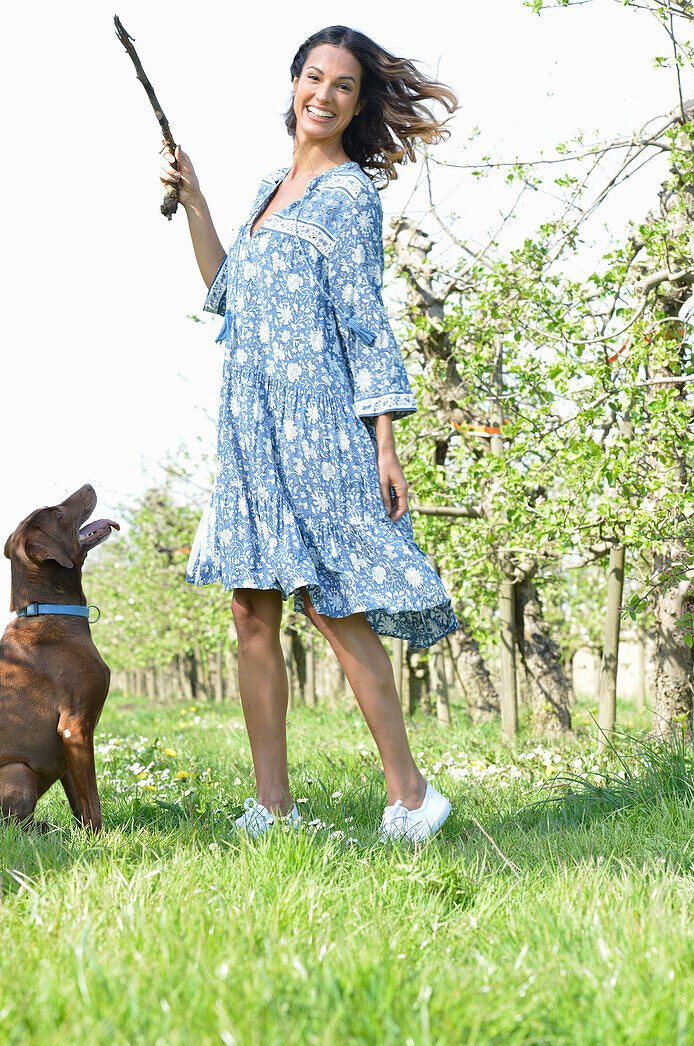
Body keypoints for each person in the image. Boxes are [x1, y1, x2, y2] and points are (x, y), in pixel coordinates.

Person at [159, 25, 460, 843]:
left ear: (358, 104)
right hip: (249, 427)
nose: (323, 96)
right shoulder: (268, 188)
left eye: (344, 87)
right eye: (314, 79)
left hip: (317, 425)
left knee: (332, 603)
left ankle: (411, 796)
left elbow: (366, 325)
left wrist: (386, 441)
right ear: (293, 83)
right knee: (251, 612)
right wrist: (197, 203)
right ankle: (274, 808)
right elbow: (228, 289)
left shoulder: (350, 195)